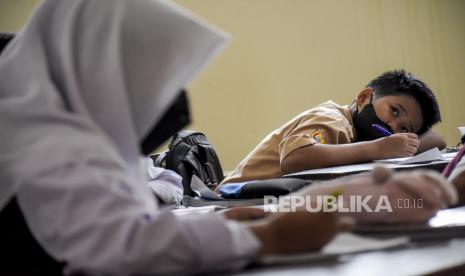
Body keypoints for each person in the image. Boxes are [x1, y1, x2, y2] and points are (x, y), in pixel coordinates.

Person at [0, 0, 457, 275]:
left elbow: (127, 212)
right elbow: (119, 248)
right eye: (146, 81)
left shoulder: (86, 134)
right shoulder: (42, 140)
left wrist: (230, 224)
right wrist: (269, 237)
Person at [220, 70, 446, 185]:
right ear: (364, 97)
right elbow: (295, 157)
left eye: (404, 128)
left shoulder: (358, 132)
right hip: (230, 204)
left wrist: (403, 144)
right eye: (394, 111)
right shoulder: (333, 120)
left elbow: (437, 139)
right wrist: (379, 149)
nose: (392, 126)